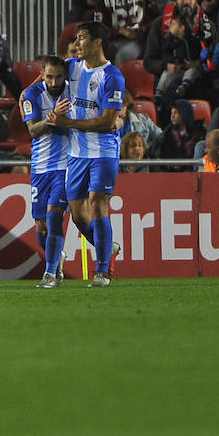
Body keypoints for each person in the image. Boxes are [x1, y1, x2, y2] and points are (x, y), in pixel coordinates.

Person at [46, 21, 123, 287]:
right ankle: (108, 248)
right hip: (77, 154)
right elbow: (48, 72)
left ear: (98, 42)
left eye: (82, 38)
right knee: (78, 215)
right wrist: (27, 93)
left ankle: (102, 271)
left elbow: (106, 122)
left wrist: (67, 124)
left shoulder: (112, 76)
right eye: (76, 39)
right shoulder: (72, 67)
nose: (77, 43)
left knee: (97, 203)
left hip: (103, 151)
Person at [20, 56, 71, 288]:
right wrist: (52, 119)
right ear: (42, 74)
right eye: (49, 76)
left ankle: (50, 274)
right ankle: (56, 256)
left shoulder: (73, 93)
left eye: (58, 77)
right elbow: (33, 131)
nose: (53, 82)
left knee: (54, 216)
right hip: (40, 168)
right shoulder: (32, 95)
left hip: (65, 165)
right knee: (40, 226)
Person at [143, 0, 216, 104]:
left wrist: (199, 64)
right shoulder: (159, 25)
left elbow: (214, 58)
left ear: (196, 1)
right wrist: (166, 66)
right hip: (168, 77)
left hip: (198, 80)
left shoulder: (208, 26)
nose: (186, 2)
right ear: (174, 1)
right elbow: (148, 62)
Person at [150, 98, 205, 171]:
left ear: (184, 113)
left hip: (191, 174)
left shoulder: (200, 133)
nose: (172, 116)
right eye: (171, 112)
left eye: (176, 112)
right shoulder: (167, 133)